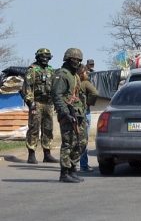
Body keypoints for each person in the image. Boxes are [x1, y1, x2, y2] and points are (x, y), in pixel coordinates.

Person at [51, 48, 88, 183]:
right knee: (68, 143)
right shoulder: (62, 74)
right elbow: (56, 95)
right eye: (73, 59)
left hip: (78, 113)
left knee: (81, 141)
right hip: (67, 113)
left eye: (78, 59)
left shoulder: (75, 75)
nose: (76, 61)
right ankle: (65, 172)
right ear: (67, 59)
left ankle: (72, 168)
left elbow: (79, 96)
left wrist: (82, 113)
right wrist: (64, 112)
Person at [21, 48, 59, 164]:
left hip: (48, 103)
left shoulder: (51, 70)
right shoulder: (32, 70)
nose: (45, 59)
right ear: (38, 57)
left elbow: (55, 88)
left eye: (47, 57)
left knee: (48, 128)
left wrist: (57, 102)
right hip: (36, 103)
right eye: (43, 57)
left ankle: (47, 154)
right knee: (34, 128)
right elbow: (27, 87)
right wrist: (30, 103)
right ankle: (31, 154)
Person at [77, 64, 98, 173]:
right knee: (84, 140)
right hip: (84, 112)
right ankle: (83, 165)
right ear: (82, 73)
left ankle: (71, 164)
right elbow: (95, 93)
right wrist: (89, 103)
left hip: (73, 112)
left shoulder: (72, 83)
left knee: (74, 139)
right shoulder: (85, 83)